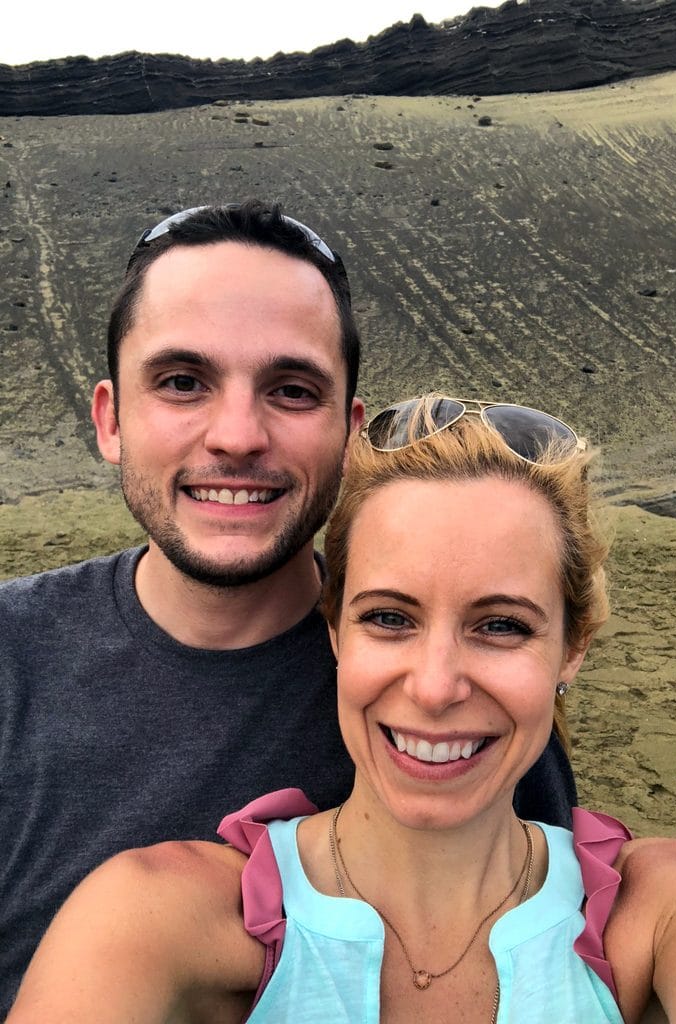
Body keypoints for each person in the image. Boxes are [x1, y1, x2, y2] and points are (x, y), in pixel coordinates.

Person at [8, 395, 676, 1023]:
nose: (435, 686)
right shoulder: (155, 918)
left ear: (572, 647)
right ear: (334, 629)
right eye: (389, 618)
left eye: (500, 625)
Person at [0, 207, 576, 1016]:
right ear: (110, 419)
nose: (237, 435)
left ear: (347, 435)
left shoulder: (454, 706)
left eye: (291, 389)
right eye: (181, 382)